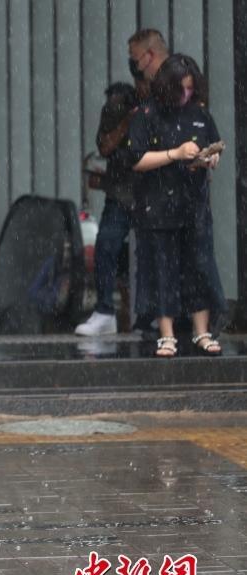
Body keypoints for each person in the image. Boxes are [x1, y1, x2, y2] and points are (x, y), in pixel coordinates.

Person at [127, 54, 226, 357]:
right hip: (158, 207)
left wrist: (209, 159)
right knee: (163, 270)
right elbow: (137, 160)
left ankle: (201, 331)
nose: (186, 95)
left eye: (190, 89)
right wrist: (175, 153)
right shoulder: (147, 114)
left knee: (198, 268)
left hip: (193, 205)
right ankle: (166, 333)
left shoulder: (199, 114)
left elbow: (214, 143)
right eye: (181, 89)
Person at [74, 82, 140, 336]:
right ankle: (106, 311)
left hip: (145, 193)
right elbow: (105, 146)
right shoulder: (115, 114)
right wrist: (124, 124)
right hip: (123, 194)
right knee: (106, 245)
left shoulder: (150, 106)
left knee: (148, 253)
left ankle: (153, 314)